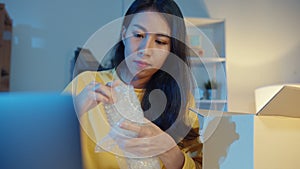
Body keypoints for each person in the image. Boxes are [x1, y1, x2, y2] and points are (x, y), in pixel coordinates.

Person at [64, 0, 203, 168]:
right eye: (138, 35)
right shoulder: (86, 84)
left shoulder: (181, 100)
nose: (145, 49)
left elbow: (199, 163)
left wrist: (171, 153)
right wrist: (72, 113)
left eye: (160, 41)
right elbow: (41, 147)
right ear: (124, 34)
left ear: (171, 50)